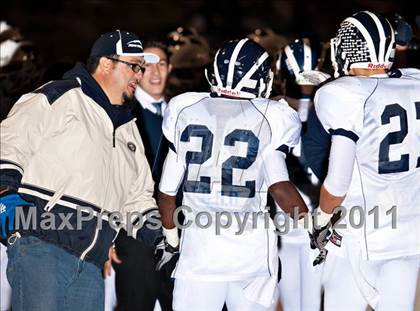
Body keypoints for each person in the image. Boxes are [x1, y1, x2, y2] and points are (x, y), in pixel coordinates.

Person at [0, 29, 160, 311]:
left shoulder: (129, 129)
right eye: (134, 66)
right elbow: (9, 146)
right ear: (106, 64)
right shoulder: (60, 96)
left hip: (91, 263)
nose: (140, 75)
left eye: (142, 68)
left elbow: (138, 198)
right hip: (43, 248)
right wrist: (9, 202)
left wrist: (164, 238)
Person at [155, 38, 308, 311]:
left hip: (199, 255)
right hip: (250, 257)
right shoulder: (273, 116)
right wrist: (314, 225)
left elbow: (166, 195)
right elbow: (280, 187)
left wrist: (172, 240)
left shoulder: (184, 109)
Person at [308, 11, 420, 311]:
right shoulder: (416, 83)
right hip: (409, 231)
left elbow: (338, 180)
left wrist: (320, 220)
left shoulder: (342, 94)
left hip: (359, 233)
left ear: (344, 48)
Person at [113, 40, 174, 311]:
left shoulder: (184, 113)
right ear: (137, 70)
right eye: (147, 65)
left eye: (161, 64)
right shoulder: (120, 111)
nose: (155, 72)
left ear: (170, 68)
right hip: (134, 229)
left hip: (175, 228)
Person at [275, 37, 329, 311]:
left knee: (296, 301)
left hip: (286, 220)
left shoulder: (273, 109)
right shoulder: (333, 107)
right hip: (316, 218)